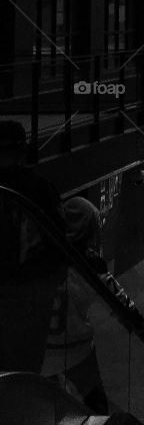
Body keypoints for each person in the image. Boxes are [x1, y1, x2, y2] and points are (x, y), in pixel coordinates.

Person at [42, 196, 142, 415]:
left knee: (49, 405)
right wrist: (135, 320)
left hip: (43, 347)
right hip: (77, 347)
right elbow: (120, 300)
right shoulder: (90, 263)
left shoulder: (42, 258)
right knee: (95, 402)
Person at [0, 120, 66, 374]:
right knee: (24, 368)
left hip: (27, 288)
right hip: (29, 293)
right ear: (22, 150)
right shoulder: (39, 189)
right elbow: (58, 244)